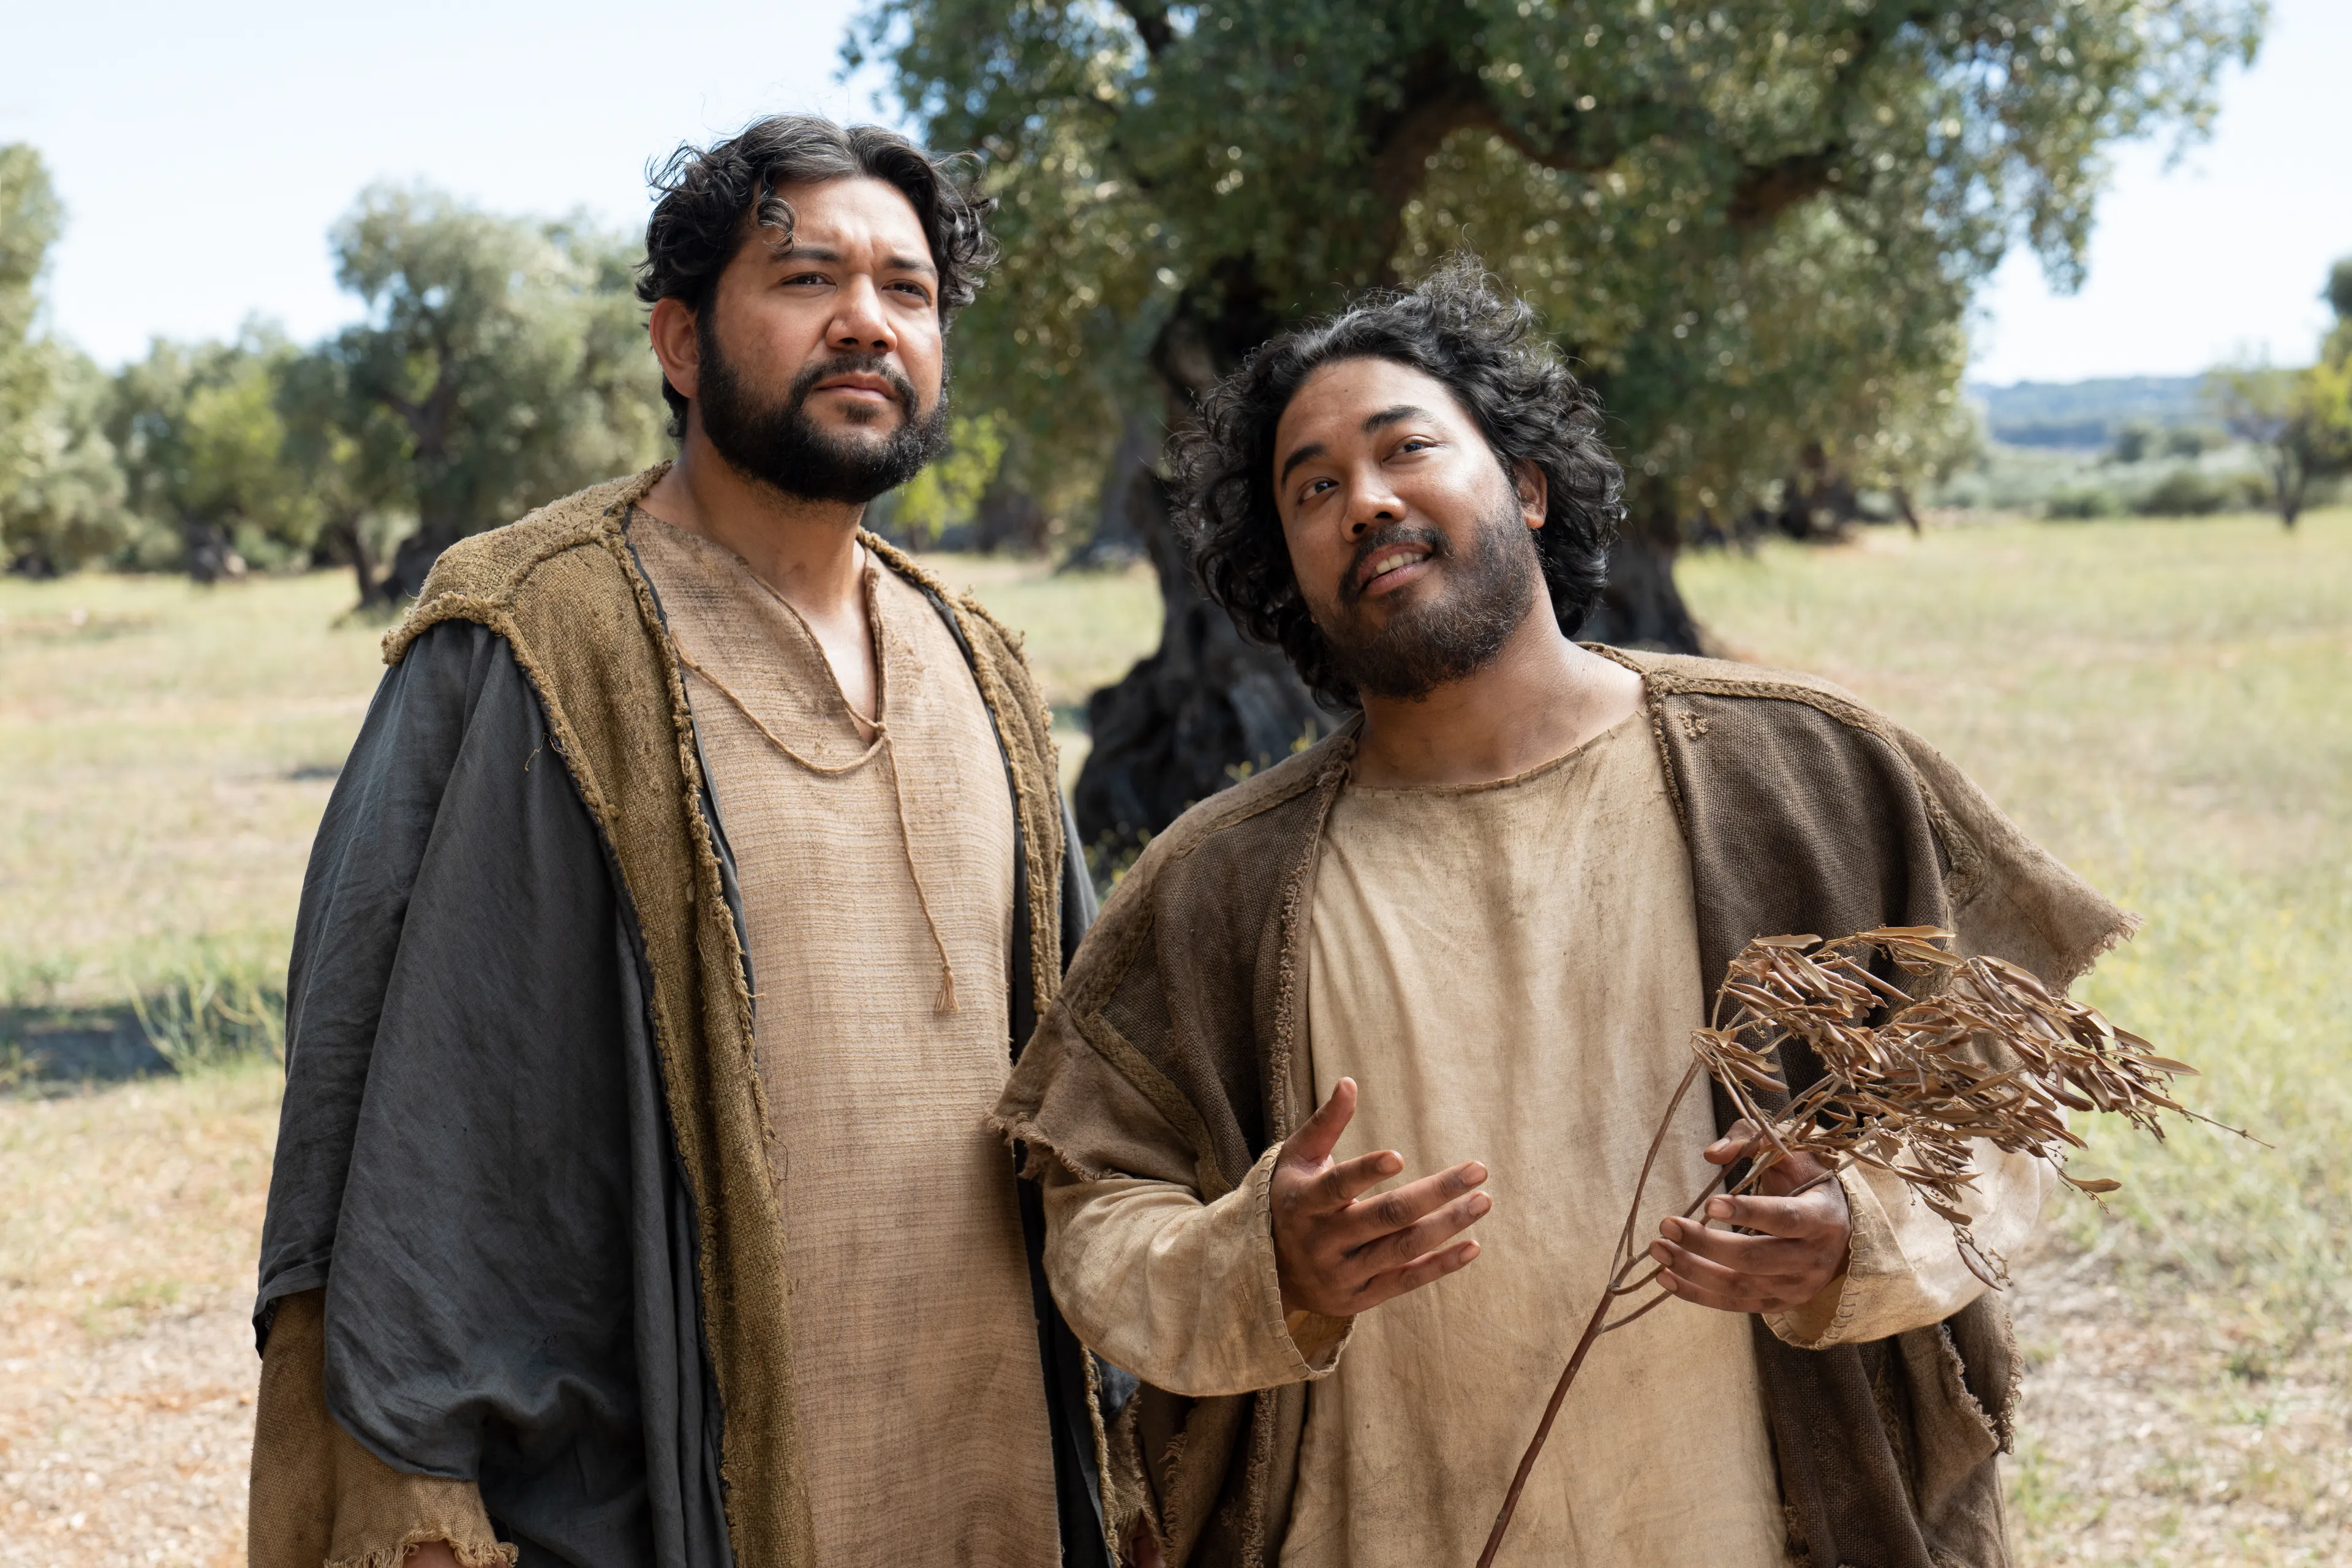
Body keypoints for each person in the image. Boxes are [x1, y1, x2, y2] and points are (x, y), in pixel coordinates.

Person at [993, 260, 2132, 1568]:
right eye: (1312, 488)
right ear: (1285, 567)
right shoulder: (1216, 884)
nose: (1363, 499)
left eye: (1404, 447)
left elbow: (2003, 1120)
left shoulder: (1813, 774)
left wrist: (1854, 1232)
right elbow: (1095, 1224)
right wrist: (1266, 1263)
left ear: (1525, 486)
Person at [247, 115, 1112, 1568]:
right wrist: (417, 1472)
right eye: (807, 279)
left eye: (909, 291)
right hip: (651, 1481)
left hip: (988, 1473)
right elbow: (381, 1086)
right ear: (681, 341)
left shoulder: (984, 664)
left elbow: (1089, 1093)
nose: (867, 322)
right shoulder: (531, 633)